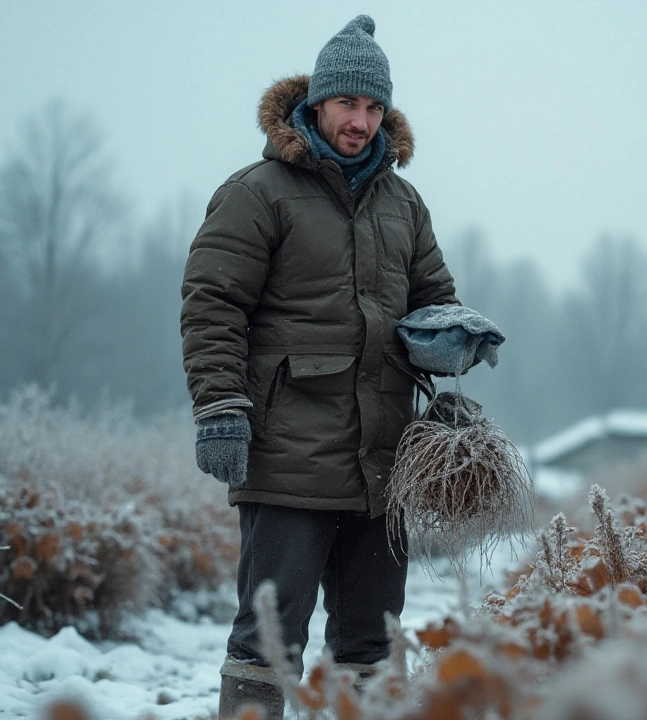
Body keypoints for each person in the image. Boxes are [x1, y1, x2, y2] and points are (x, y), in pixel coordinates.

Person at [179, 14, 458, 720]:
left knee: (371, 645)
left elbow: (435, 302)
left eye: (373, 108)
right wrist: (220, 407)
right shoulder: (259, 191)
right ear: (316, 102)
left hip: (382, 460)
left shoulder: (404, 204)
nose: (360, 121)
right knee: (267, 641)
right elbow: (213, 303)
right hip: (286, 456)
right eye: (348, 104)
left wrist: (453, 349)